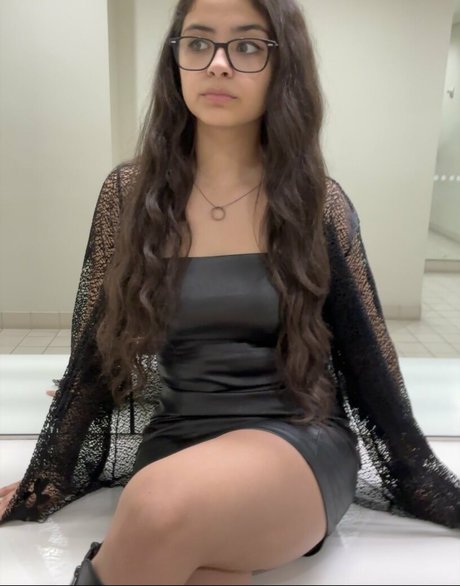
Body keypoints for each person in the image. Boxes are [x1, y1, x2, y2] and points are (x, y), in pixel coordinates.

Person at [1, 0, 459, 584]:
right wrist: (50, 473)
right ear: (176, 61)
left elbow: (371, 363)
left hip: (296, 442)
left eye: (246, 46)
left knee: (157, 506)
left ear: (282, 66)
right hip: (176, 442)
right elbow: (95, 351)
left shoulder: (316, 203)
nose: (218, 64)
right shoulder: (131, 196)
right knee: (195, 560)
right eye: (198, 43)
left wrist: (421, 476)